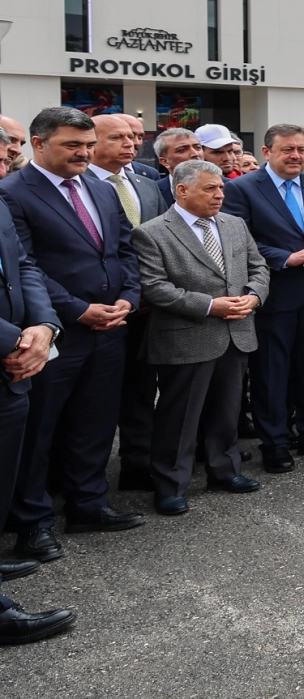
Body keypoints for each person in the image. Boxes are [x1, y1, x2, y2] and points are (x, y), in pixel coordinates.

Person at [0, 108, 144, 564]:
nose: (83, 153)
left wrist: (129, 297)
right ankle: (33, 521)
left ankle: (88, 503)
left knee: (96, 421)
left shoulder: (101, 189)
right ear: (39, 144)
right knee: (40, 429)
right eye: (71, 146)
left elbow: (124, 250)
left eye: (86, 145)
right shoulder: (13, 193)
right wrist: (77, 310)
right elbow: (28, 267)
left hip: (111, 325)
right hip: (58, 331)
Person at [132, 159, 270, 514]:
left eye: (221, 187)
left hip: (236, 331)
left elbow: (258, 267)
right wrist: (210, 306)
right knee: (179, 416)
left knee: (227, 410)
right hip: (186, 336)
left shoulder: (234, 224)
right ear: (181, 190)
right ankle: (170, 485)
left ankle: (224, 470)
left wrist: (254, 296)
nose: (219, 194)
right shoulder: (153, 232)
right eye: (210, 188)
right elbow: (155, 288)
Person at [222, 124, 304, 472]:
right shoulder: (242, 188)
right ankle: (274, 441)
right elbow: (239, 240)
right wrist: (284, 258)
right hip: (275, 293)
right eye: (287, 150)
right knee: (272, 372)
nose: (297, 156)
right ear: (266, 152)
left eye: (302, 149)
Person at [0, 189, 74, 644]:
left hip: (16, 365)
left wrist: (45, 328)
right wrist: (14, 341)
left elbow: (23, 266)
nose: (11, 150)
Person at [86, 115, 166, 491]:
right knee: (94, 398)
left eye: (135, 137)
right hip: (97, 310)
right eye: (117, 137)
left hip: (147, 305)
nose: (131, 144)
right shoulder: (81, 187)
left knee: (140, 388)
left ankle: (137, 463)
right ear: (91, 142)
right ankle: (78, 477)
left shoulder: (145, 182)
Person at [151, 127, 203, 206]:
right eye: (182, 150)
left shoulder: (226, 187)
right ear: (165, 162)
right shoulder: (151, 191)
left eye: (198, 148)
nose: (195, 154)